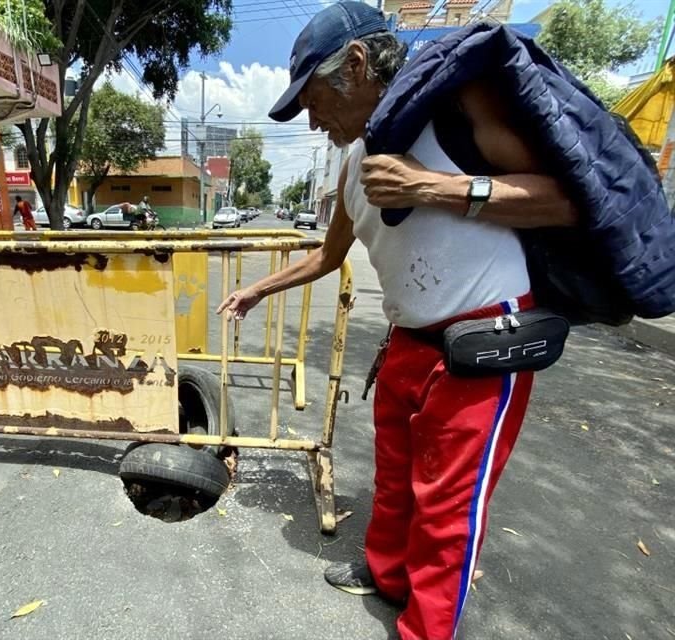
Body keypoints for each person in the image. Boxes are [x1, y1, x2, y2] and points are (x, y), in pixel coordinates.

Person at [217, 3, 590, 639]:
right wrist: (258, 288)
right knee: (394, 480)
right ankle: (387, 577)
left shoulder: (457, 113)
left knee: (448, 508)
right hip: (407, 343)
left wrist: (434, 189)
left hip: (481, 343)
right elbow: (329, 254)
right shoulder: (351, 167)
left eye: (312, 100)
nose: (311, 120)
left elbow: (566, 199)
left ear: (356, 66)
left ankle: (425, 628)